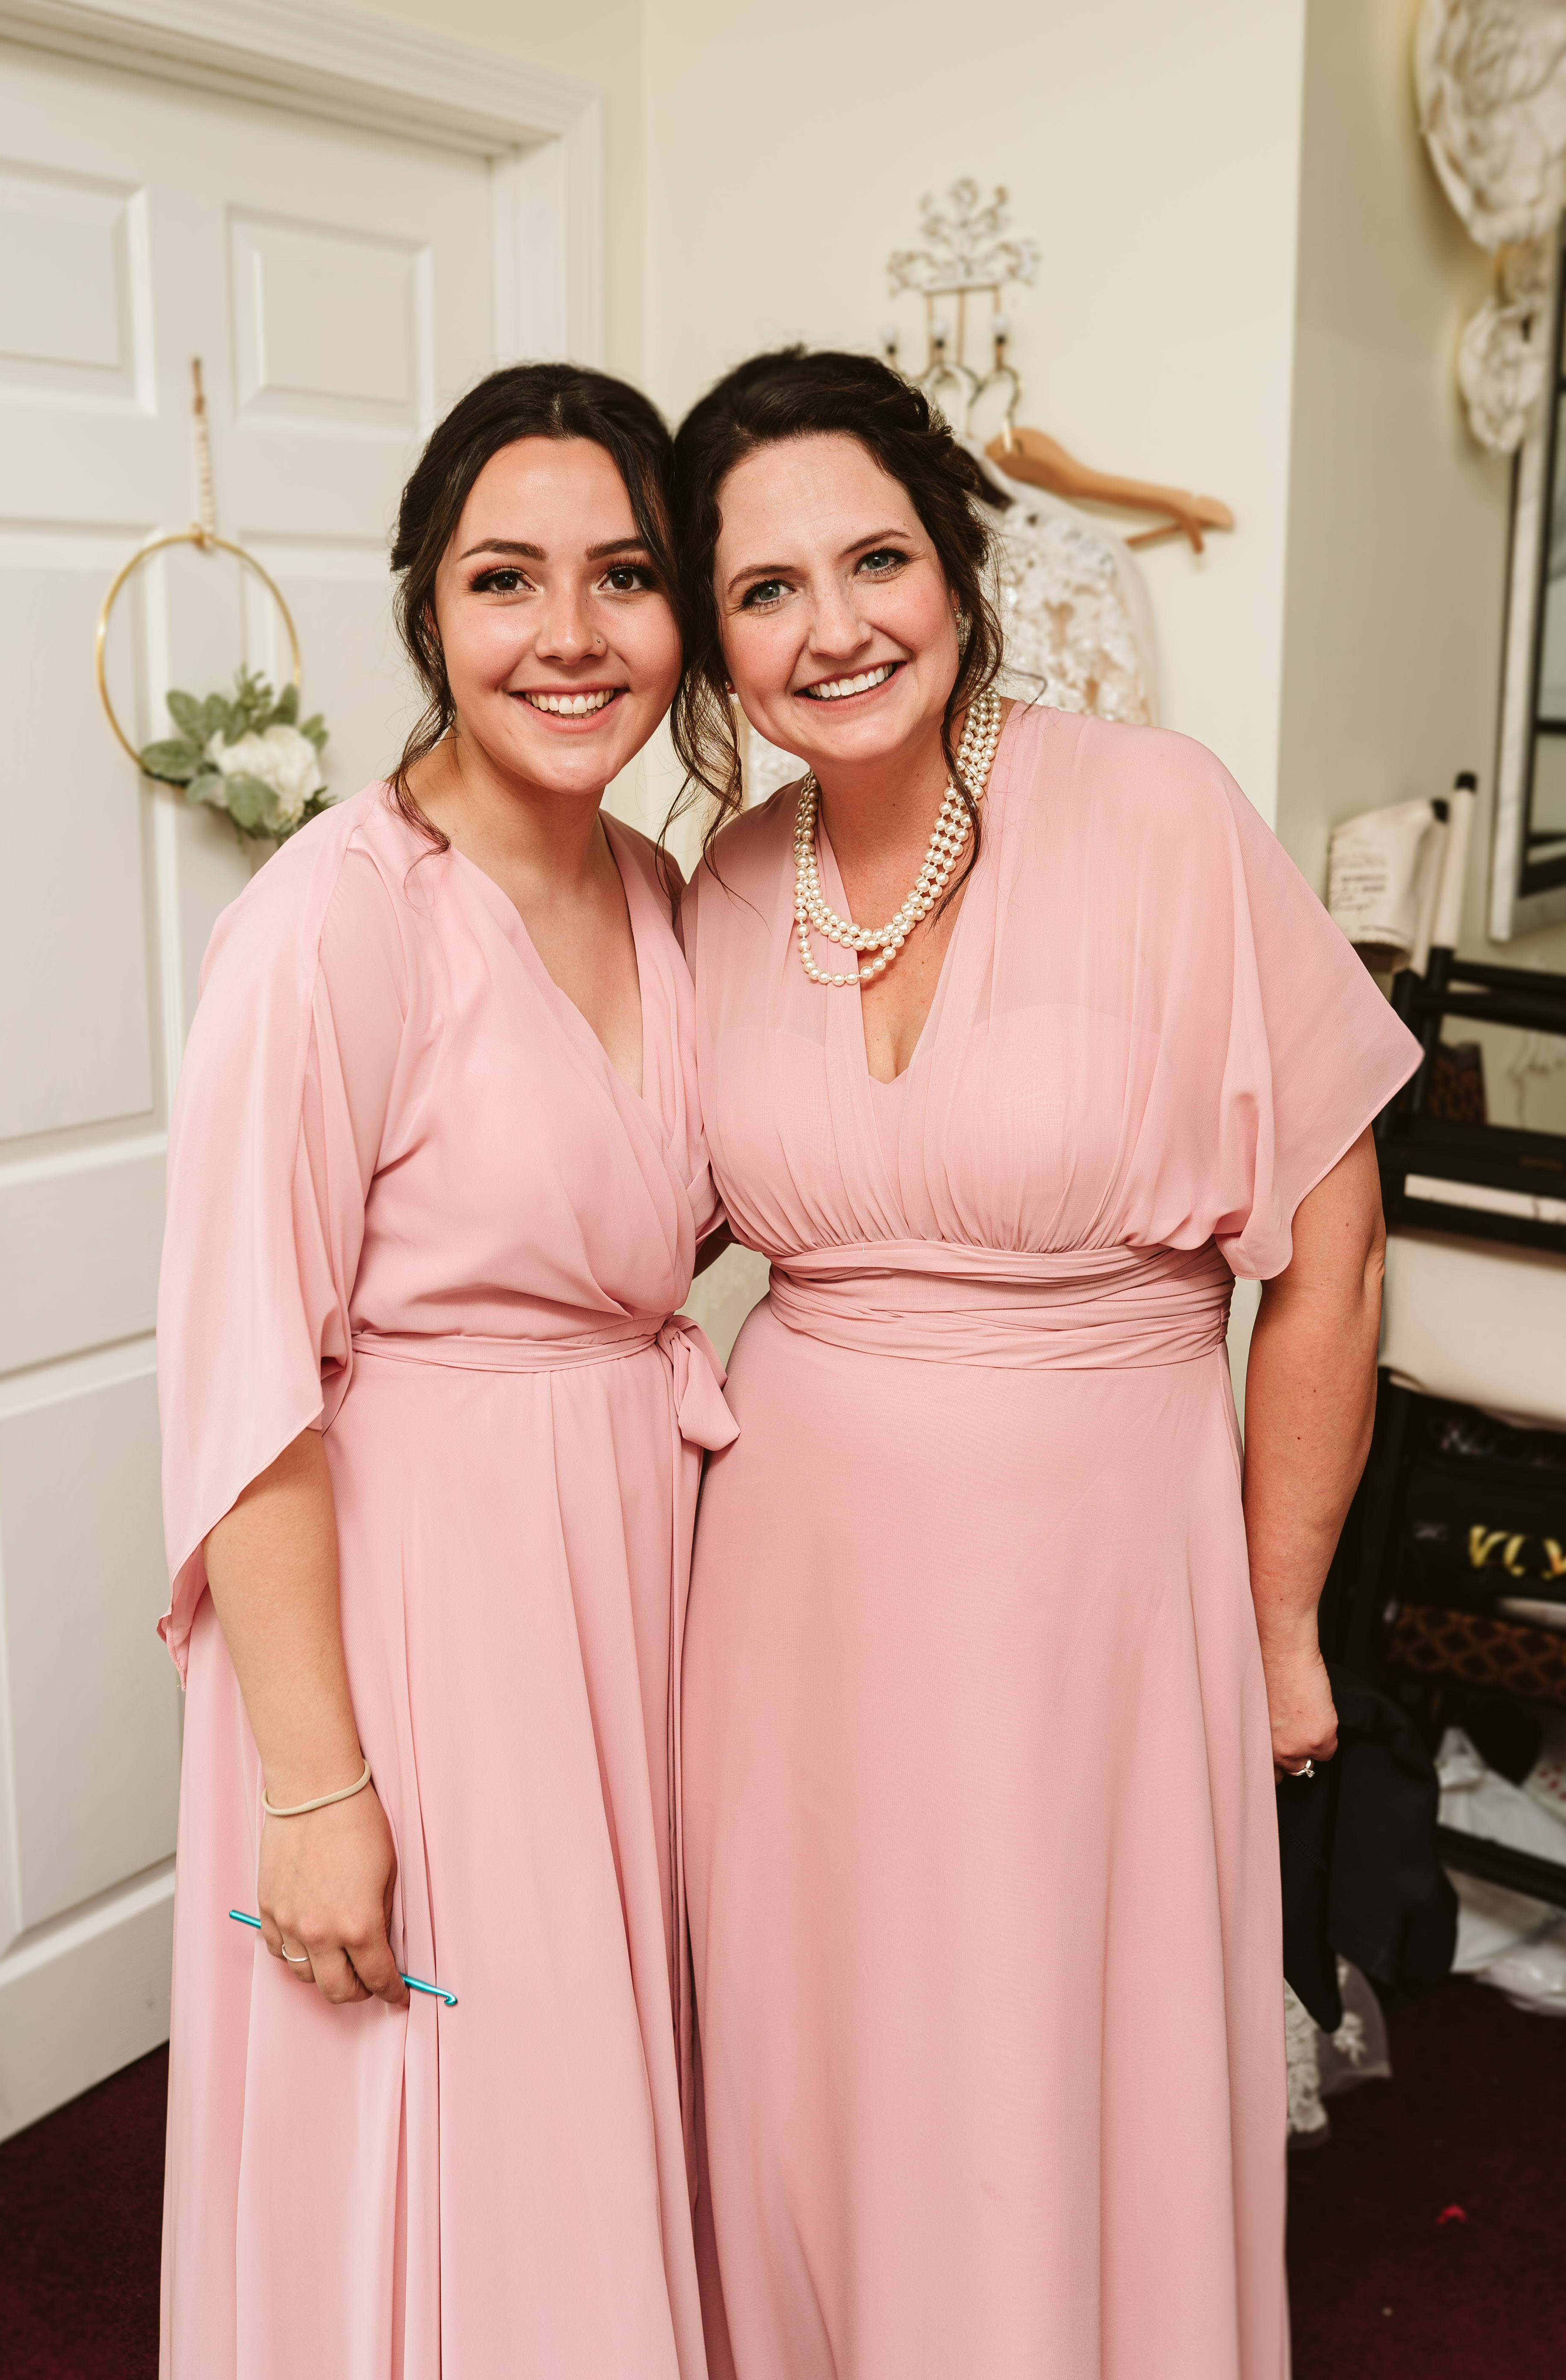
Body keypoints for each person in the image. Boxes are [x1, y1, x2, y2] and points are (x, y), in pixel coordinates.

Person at [667, 349, 1421, 2380]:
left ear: (954, 564)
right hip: (791, 1601)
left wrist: (1277, 1613)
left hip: (1099, 1589)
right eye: (763, 589)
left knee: (1055, 2058)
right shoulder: (724, 885)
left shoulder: (1156, 810)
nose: (833, 626)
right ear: (715, 640)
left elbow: (1332, 1248)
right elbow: (618, 1233)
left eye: (874, 559)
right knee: (819, 2057)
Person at [156, 363, 734, 2380]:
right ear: (426, 607)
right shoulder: (329, 925)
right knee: (445, 2103)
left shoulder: (657, 891)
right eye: (506, 578)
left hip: (621, 1561)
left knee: (587, 2096)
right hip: (413, 1605)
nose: (570, 634)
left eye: (624, 576)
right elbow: (244, 1382)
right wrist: (317, 1783)